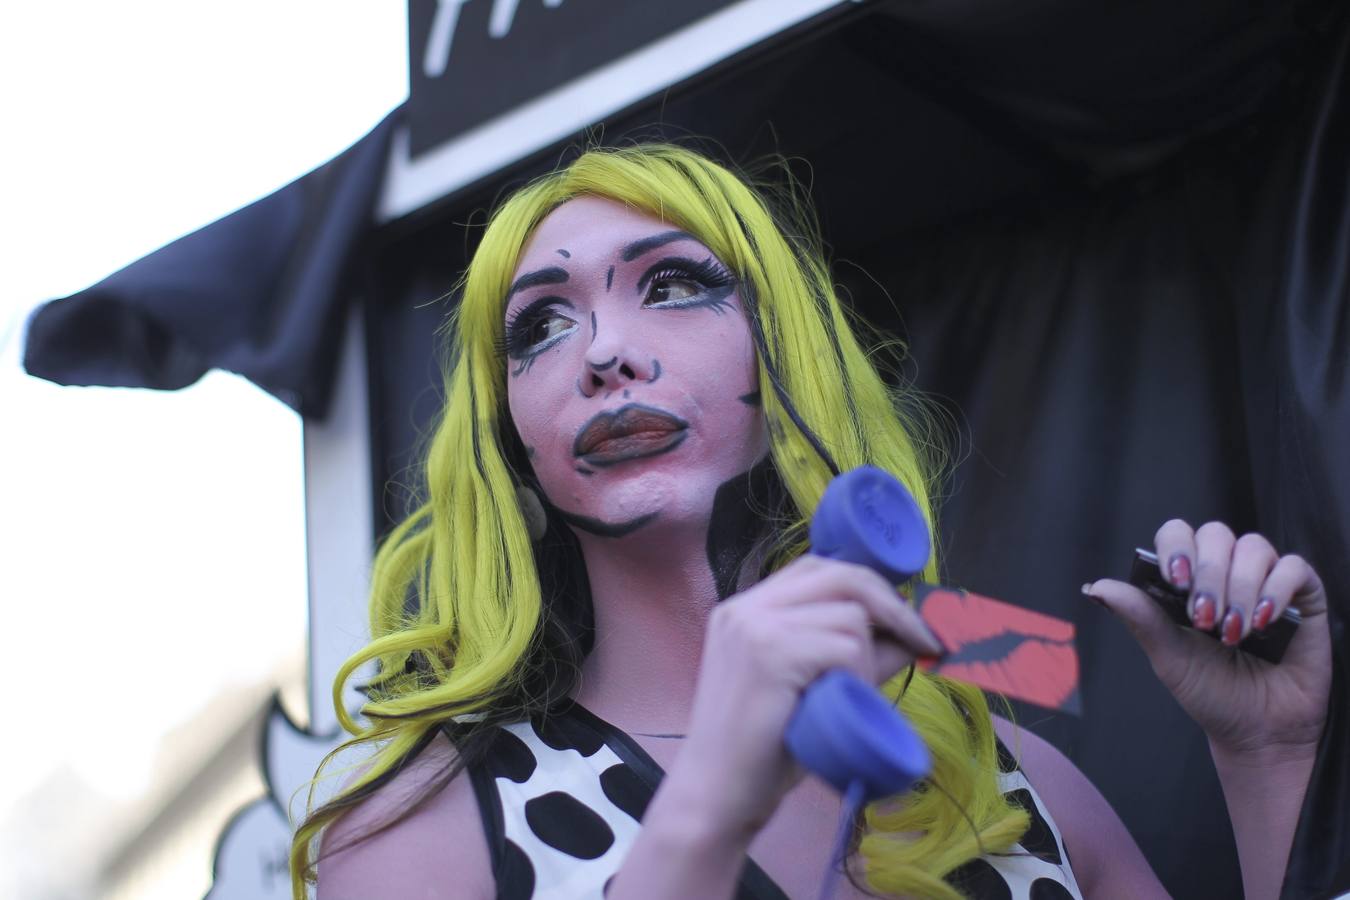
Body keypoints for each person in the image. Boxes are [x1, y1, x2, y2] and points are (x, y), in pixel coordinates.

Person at [289, 144, 1332, 900]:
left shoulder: (1004, 777)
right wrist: (703, 815)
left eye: (675, 284)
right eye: (542, 325)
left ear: (787, 362)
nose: (603, 351)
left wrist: (1269, 759)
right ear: (509, 440)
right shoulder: (421, 833)